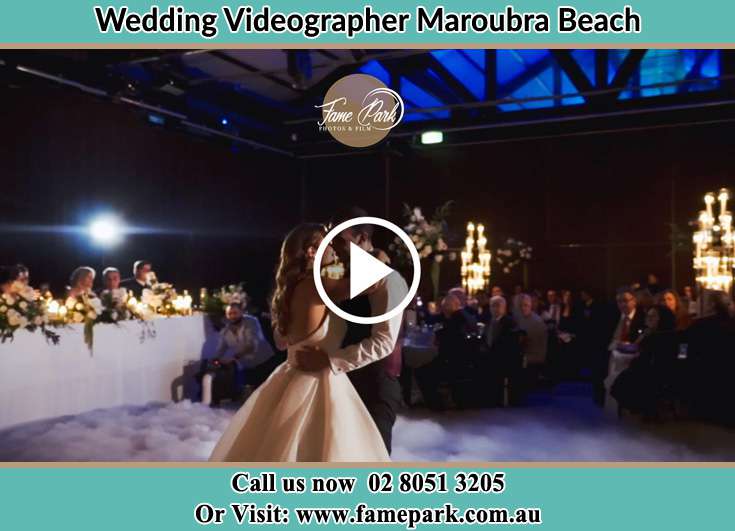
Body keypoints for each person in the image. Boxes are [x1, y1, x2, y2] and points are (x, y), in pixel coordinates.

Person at [210, 223, 389, 462]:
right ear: (311, 251)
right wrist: (379, 257)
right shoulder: (317, 285)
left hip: (290, 371)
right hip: (316, 380)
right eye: (328, 244)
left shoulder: (293, 287)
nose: (334, 250)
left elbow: (282, 340)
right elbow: (372, 280)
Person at [292, 208, 407, 454]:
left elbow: (384, 342)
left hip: (376, 384)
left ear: (362, 239)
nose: (333, 246)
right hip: (342, 382)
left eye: (340, 239)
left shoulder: (388, 281)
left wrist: (329, 360)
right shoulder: (344, 279)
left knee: (372, 457)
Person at [200, 303, 278, 406]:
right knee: (252, 394)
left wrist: (234, 358)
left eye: (235, 313)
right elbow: (222, 347)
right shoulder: (226, 330)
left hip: (265, 360)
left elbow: (252, 344)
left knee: (269, 391)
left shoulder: (251, 322)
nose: (232, 316)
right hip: (248, 364)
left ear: (241, 312)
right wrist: (216, 359)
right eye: (229, 313)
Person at [611, 305, 680, 416]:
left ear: (662, 318)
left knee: (623, 376)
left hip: (652, 373)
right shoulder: (673, 334)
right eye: (648, 316)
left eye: (653, 316)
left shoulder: (655, 336)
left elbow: (641, 354)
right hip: (663, 372)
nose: (648, 318)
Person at [686, 290, 735, 423]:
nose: (696, 304)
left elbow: (684, 349)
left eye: (700, 301)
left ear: (711, 305)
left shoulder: (699, 326)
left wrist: (680, 358)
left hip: (706, 379)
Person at [592, 287, 646, 406]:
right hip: (612, 350)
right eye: (619, 301)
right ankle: (603, 398)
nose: (622, 304)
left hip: (632, 353)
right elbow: (603, 337)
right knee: (598, 359)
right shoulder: (611, 315)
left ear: (634, 301)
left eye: (626, 300)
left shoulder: (642, 317)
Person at [481, 295, 522, 405]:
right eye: (492, 306)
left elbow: (511, 343)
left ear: (504, 307)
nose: (495, 308)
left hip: (503, 360)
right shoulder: (489, 322)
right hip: (489, 359)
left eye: (498, 306)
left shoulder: (510, 323)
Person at [515, 294, 547, 366]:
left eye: (525, 305)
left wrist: (526, 359)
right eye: (521, 305)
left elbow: (541, 351)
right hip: (521, 358)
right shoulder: (518, 319)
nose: (523, 308)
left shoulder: (538, 323)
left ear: (531, 305)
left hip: (533, 361)